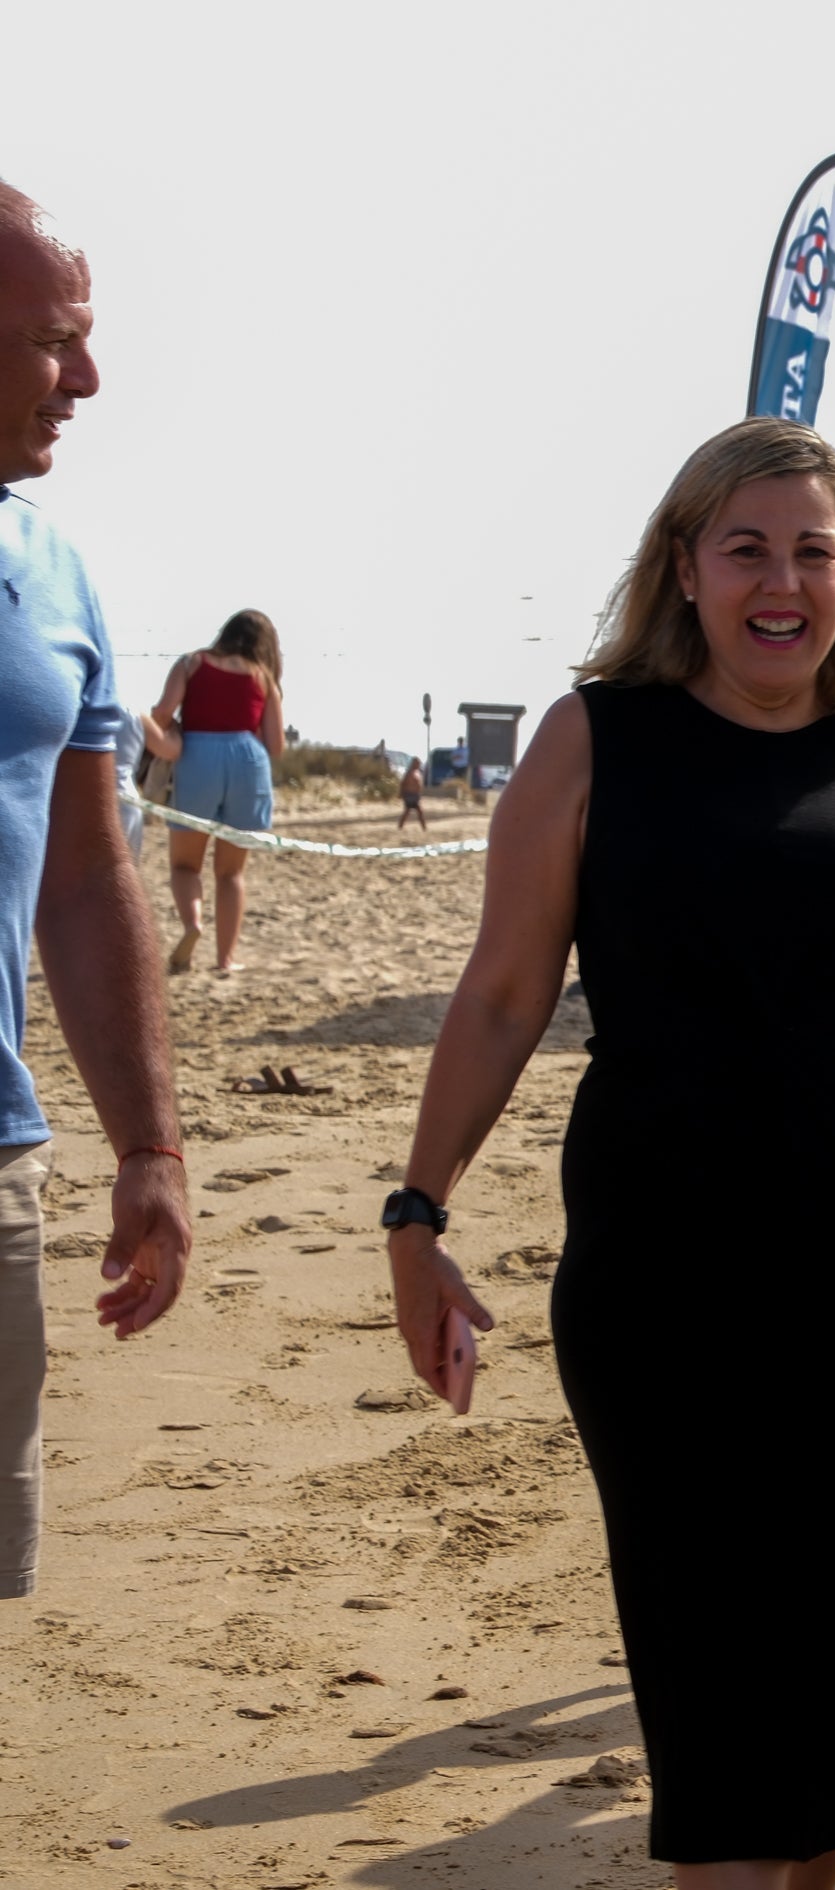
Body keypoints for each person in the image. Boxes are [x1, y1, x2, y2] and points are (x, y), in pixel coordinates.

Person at [382, 418, 835, 1890]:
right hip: (666, 1296)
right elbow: (503, 992)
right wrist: (417, 1210)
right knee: (719, 1724)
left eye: (813, 549)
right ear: (683, 565)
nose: (781, 581)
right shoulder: (595, 738)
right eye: (745, 547)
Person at [0, 175, 192, 1604]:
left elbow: (85, 873)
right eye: (57, 339)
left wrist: (149, 1146)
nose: (90, 376)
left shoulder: (55, 569)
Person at [142, 609, 286, 974]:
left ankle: (192, 924)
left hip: (199, 757)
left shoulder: (192, 663)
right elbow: (276, 745)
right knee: (231, 873)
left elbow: (162, 711)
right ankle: (225, 959)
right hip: (248, 762)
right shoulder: (264, 678)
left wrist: (174, 726)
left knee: (185, 864)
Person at [396, 754, 427, 832]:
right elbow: (403, 783)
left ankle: (424, 828)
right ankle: (400, 827)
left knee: (415, 812)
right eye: (417, 763)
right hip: (409, 795)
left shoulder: (417, 772)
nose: (418, 764)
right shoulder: (409, 772)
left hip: (415, 795)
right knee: (410, 811)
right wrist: (401, 793)